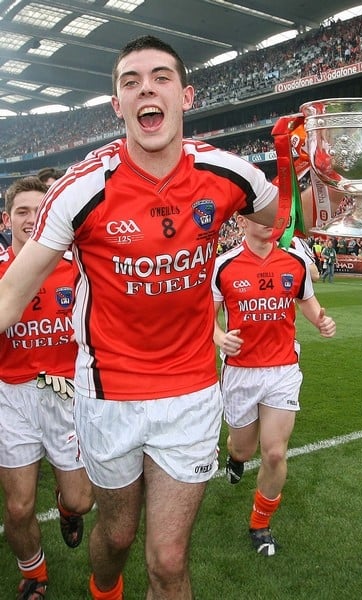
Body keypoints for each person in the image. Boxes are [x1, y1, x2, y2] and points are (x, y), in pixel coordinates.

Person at [0, 36, 317, 600]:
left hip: (191, 392)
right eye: (131, 81)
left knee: (169, 561)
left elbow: (291, 219)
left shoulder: (227, 174)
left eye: (161, 77)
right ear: (117, 106)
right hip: (109, 393)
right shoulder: (79, 191)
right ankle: (105, 588)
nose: (146, 87)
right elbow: (9, 298)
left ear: (186, 95)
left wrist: (311, 170)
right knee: (117, 537)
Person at [212, 213, 335, 557]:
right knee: (244, 449)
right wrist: (221, 338)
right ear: (241, 221)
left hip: (282, 369)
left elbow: (307, 302)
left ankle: (260, 523)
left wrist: (321, 321)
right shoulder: (223, 266)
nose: (270, 223)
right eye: (260, 217)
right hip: (240, 372)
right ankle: (233, 456)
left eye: (274, 217)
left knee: (275, 452)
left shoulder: (294, 261)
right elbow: (208, 317)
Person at [0, 177, 94, 600]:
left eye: (40, 211)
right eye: (22, 211)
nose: (31, 219)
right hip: (13, 398)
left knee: (82, 500)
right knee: (18, 507)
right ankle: (34, 575)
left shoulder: (75, 268)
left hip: (66, 394)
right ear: (7, 218)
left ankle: (66, 507)